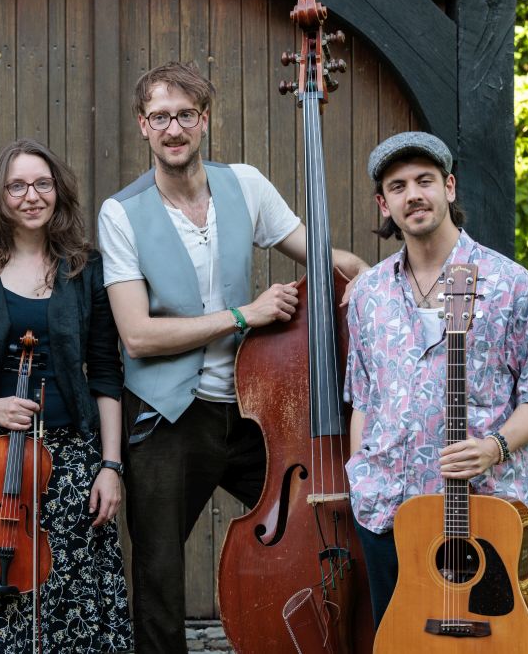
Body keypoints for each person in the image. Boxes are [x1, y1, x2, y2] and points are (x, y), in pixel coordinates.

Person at [96, 61, 370, 653]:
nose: (173, 129)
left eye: (185, 115)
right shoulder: (121, 213)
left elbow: (324, 257)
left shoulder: (245, 184)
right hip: (168, 414)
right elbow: (137, 337)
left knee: (322, 521)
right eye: (160, 117)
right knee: (159, 573)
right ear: (143, 125)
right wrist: (244, 316)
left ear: (204, 120)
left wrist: (376, 280)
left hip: (253, 411)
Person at [343, 131, 528, 626]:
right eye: (397, 186)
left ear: (449, 187)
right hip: (385, 509)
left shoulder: (513, 286)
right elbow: (363, 397)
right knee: (399, 640)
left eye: (424, 180)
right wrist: (362, 474)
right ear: (383, 204)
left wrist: (494, 448)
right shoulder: (369, 295)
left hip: (478, 512)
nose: (413, 195)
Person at [0, 138, 133, 653]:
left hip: (71, 461)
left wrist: (110, 466)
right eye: (17, 185)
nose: (31, 196)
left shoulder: (85, 269)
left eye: (42, 184)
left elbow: (105, 374)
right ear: (0, 196)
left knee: (72, 596)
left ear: (58, 191)